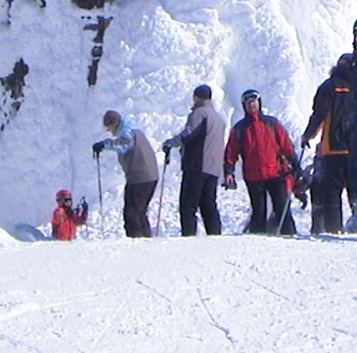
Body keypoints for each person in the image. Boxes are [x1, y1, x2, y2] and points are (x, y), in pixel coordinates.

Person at [223, 89, 300, 236]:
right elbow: (231, 152)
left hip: (276, 174)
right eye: (248, 103)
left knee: (283, 209)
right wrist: (229, 171)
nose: (252, 105)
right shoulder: (240, 129)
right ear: (244, 106)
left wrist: (295, 164)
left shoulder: (272, 124)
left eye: (254, 102)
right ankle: (257, 244)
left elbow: (286, 145)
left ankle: (291, 239)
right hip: (254, 177)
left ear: (259, 103)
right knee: (259, 212)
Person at [301, 56, 356, 233]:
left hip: (333, 146)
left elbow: (319, 114)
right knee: (356, 190)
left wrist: (308, 136)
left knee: (332, 191)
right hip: (356, 146)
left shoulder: (329, 86)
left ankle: (335, 228)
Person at [162, 84, 226, 236]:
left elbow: (189, 134)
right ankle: (215, 235)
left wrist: (170, 143)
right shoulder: (219, 118)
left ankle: (189, 237)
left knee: (188, 205)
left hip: (197, 165)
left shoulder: (199, 113)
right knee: (208, 204)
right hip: (213, 168)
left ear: (197, 97)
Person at [92, 110, 158, 238]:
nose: (108, 130)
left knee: (131, 214)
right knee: (140, 213)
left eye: (108, 126)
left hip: (139, 177)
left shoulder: (126, 132)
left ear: (114, 123)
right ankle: (147, 242)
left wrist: (104, 144)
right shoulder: (132, 129)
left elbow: (124, 144)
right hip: (149, 176)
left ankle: (136, 244)